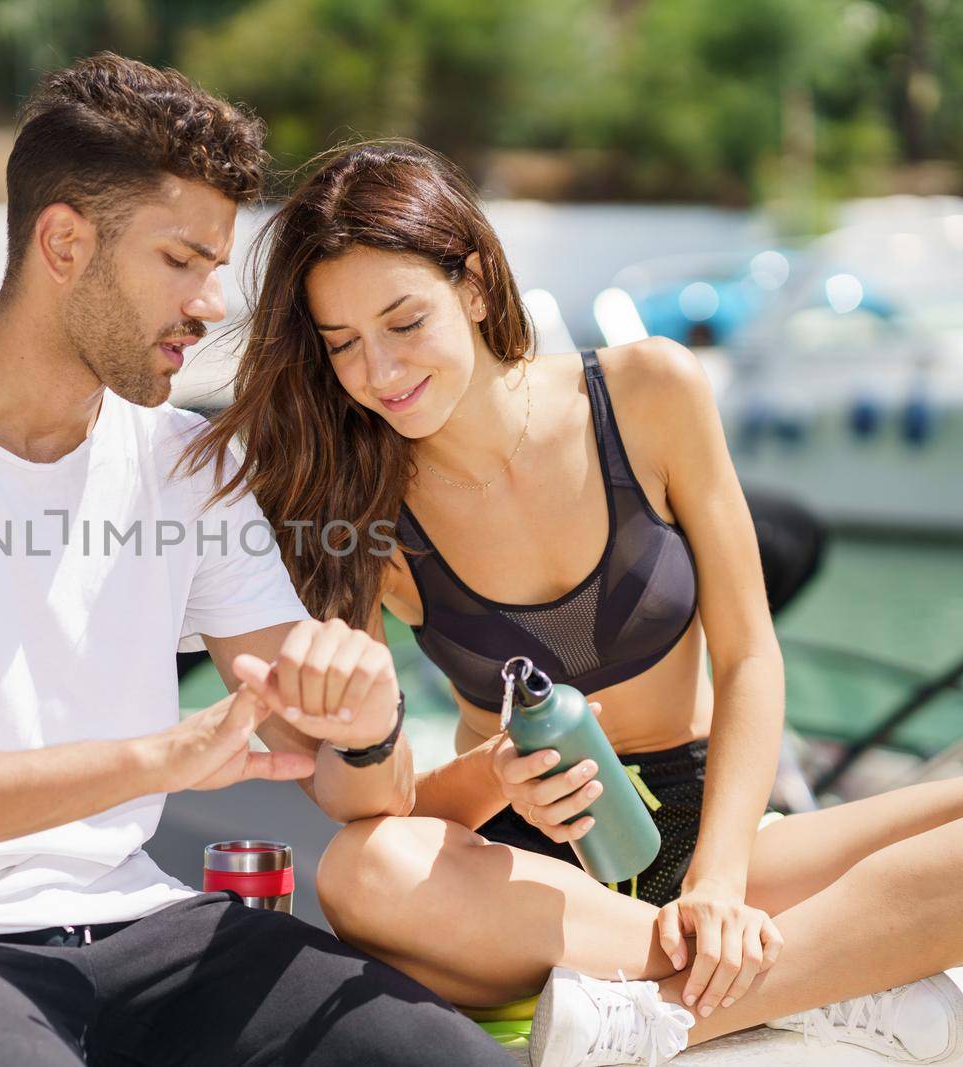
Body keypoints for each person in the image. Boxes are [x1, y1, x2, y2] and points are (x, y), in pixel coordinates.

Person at [0, 62, 508, 1065]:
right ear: (65, 242)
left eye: (217, 264)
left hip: (141, 923)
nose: (212, 302)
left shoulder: (184, 463)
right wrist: (159, 756)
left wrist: (364, 721)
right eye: (182, 259)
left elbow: (348, 780)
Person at [184, 139, 963, 1066]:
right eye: (343, 345)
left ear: (473, 282)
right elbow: (371, 802)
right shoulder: (360, 509)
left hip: (718, 828)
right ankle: (802, 978)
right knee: (361, 870)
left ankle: (676, 1009)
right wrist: (489, 774)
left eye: (404, 322)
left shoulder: (649, 392)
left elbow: (750, 654)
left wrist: (717, 878)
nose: (380, 372)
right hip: (530, 879)